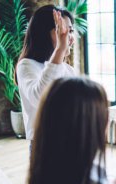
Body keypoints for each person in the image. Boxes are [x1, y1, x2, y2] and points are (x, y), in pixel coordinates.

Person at [16, 5, 76, 141]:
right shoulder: (26, 66)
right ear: (43, 33)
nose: (69, 37)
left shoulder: (69, 70)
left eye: (70, 31)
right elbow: (41, 98)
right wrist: (60, 49)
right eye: (62, 30)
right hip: (44, 146)